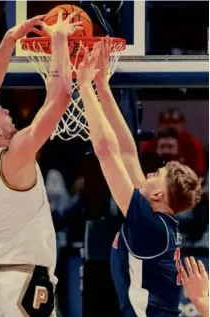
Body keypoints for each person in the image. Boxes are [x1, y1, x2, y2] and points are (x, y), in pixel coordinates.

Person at [0, 12, 83, 317]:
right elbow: (60, 97)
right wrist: (60, 39)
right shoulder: (16, 155)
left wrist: (10, 39)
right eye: (1, 112)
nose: (7, 110)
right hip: (24, 280)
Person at [77, 37, 202, 316]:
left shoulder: (151, 225)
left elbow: (106, 152)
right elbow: (127, 151)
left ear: (158, 194)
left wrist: (84, 86)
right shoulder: (156, 221)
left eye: (156, 173)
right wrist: (100, 85)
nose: (149, 172)